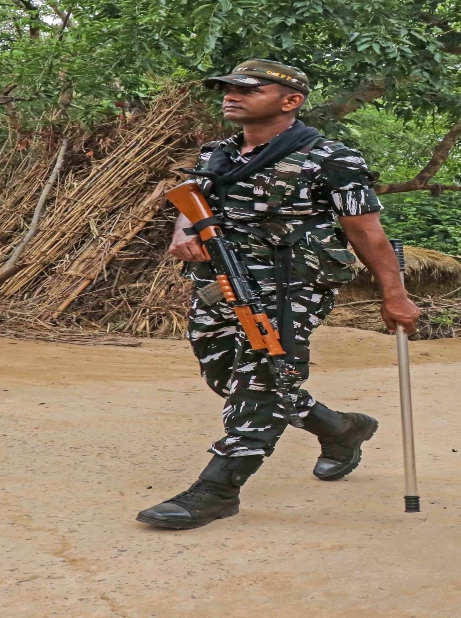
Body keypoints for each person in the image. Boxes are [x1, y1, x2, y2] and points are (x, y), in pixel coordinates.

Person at [136, 59, 420, 530]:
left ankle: (218, 489)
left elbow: (367, 233)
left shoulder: (332, 159)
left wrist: (396, 294)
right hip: (218, 283)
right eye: (227, 88)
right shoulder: (217, 154)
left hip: (291, 287)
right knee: (226, 379)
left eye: (247, 89)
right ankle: (339, 428)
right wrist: (183, 231)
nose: (231, 95)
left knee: (265, 381)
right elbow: (193, 202)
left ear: (291, 101)